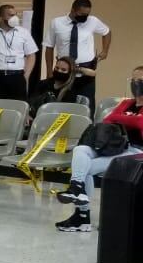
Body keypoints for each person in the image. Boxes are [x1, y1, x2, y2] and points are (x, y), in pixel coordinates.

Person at [55, 66, 143, 232]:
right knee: (80, 150)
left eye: (140, 81)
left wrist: (124, 118)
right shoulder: (127, 103)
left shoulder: (126, 106)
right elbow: (108, 119)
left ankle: (82, 216)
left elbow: (140, 123)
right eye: (133, 80)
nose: (136, 84)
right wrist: (129, 118)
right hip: (115, 146)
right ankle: (77, 189)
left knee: (85, 169)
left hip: (137, 152)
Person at [45, 0, 111, 104]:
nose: (85, 17)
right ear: (73, 10)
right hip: (64, 71)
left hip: (86, 71)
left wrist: (105, 51)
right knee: (63, 103)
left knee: (87, 104)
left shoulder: (92, 21)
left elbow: (107, 32)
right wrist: (49, 71)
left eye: (87, 14)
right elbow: (49, 47)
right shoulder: (56, 23)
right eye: (82, 14)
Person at [27, 56, 88, 120]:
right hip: (38, 119)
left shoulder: (72, 89)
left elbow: (92, 74)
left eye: (63, 70)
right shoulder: (43, 83)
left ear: (70, 72)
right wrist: (27, 115)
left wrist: (77, 69)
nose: (59, 71)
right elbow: (31, 101)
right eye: (57, 68)